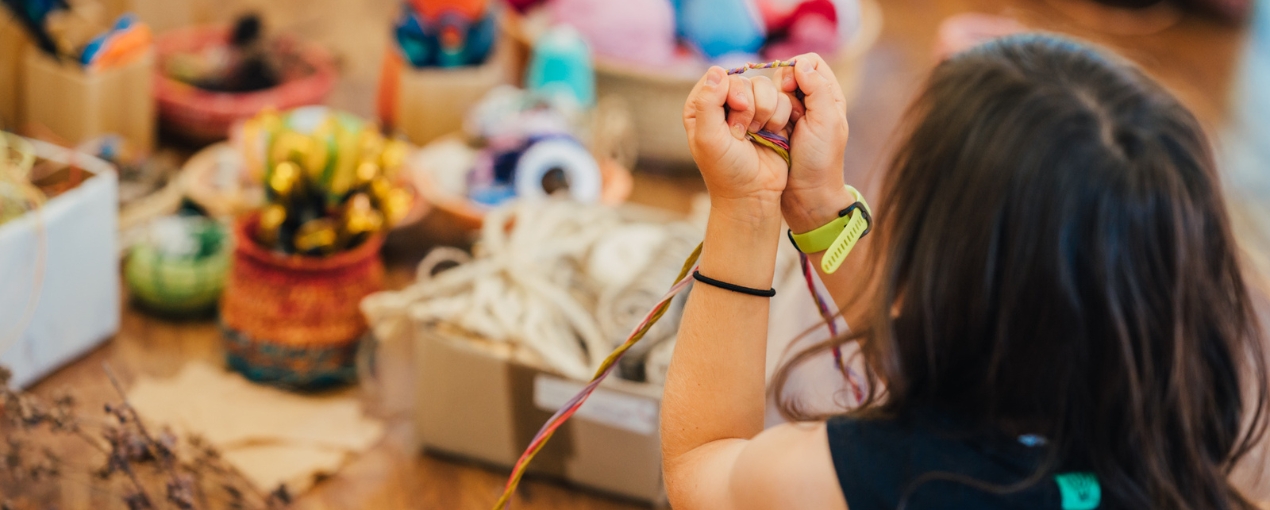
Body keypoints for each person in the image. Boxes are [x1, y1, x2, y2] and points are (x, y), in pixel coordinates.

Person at [661, 34, 1269, 510]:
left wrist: (747, 208)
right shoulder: (1173, 467)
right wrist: (822, 209)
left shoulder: (847, 479)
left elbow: (702, 471)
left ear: (925, 265)